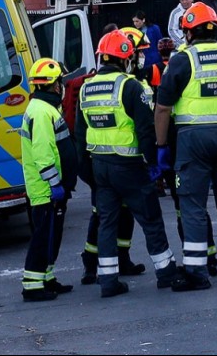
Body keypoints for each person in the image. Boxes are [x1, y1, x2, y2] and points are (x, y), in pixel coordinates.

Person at [155, 2, 217, 290]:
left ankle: (197, 271)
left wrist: (162, 146)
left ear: (188, 33)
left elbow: (163, 108)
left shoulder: (182, 60)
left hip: (193, 139)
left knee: (193, 204)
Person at [76, 30, 178, 298]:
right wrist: (154, 163)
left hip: (100, 166)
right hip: (130, 166)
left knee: (107, 222)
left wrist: (87, 172)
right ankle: (166, 272)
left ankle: (108, 280)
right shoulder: (130, 86)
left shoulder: (86, 87)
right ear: (125, 58)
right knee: (150, 218)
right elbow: (145, 130)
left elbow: (80, 134)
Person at [65, 26, 146, 286]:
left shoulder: (134, 82)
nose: (140, 58)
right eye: (137, 54)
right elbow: (81, 131)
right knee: (102, 216)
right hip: (104, 164)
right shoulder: (109, 84)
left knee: (122, 214)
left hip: (115, 163)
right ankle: (91, 264)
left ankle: (122, 259)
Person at [20, 59, 76, 302]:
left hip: (48, 187)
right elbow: (42, 152)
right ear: (54, 85)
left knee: (51, 235)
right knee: (43, 237)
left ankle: (46, 278)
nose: (62, 86)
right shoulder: (42, 111)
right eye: (60, 82)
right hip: (46, 189)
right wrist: (54, 183)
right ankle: (32, 286)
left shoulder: (43, 108)